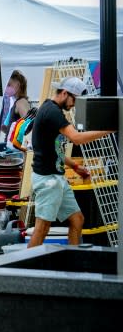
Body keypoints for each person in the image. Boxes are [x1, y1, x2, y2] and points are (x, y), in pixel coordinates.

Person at [28, 76, 114, 248]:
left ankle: (72, 263)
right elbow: (76, 138)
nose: (74, 105)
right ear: (65, 93)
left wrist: (74, 166)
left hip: (56, 178)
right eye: (74, 99)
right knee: (42, 228)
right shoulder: (51, 112)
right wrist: (109, 129)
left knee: (77, 220)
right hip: (48, 180)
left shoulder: (51, 110)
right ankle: (22, 270)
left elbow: (54, 150)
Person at [0, 70, 30, 141]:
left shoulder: (21, 102)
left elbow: (28, 127)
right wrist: (4, 128)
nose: (6, 88)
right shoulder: (17, 102)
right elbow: (16, 129)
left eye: (9, 85)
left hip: (15, 149)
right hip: (11, 148)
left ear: (18, 85)